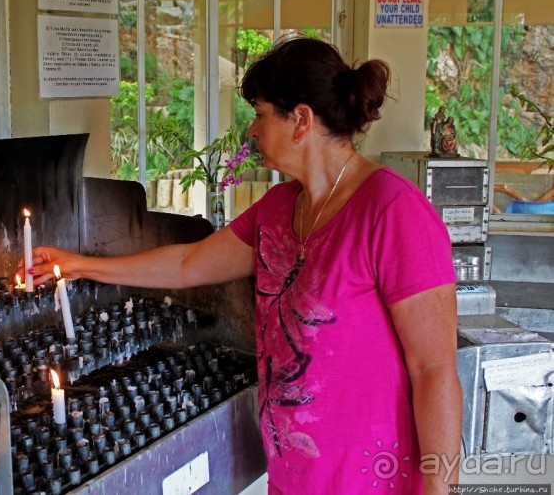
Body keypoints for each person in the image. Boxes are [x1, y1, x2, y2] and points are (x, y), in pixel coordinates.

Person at [23, 37, 462, 494]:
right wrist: (80, 265)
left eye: (259, 113)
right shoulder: (277, 209)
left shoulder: (393, 212)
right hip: (295, 475)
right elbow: (188, 264)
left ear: (301, 121)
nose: (252, 131)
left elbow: (434, 371)